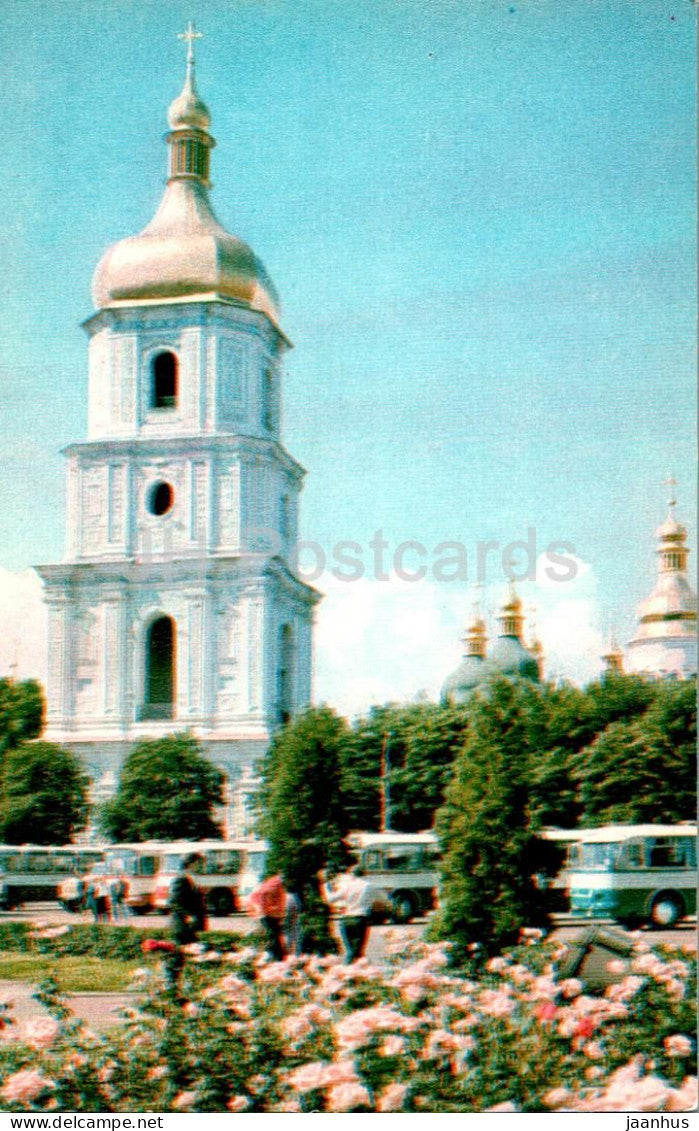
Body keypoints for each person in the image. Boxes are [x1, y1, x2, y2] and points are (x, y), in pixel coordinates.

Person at [320, 863, 379, 963]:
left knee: (350, 950)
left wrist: (326, 885)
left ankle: (350, 970)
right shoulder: (368, 886)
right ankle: (350, 971)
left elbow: (330, 899)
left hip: (346, 919)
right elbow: (371, 903)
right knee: (357, 951)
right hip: (360, 918)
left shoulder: (347, 886)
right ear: (364, 873)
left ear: (352, 874)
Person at [167, 853, 207, 989]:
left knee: (190, 953)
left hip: (189, 927)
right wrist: (187, 916)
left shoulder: (190, 878)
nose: (200, 866)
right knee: (179, 954)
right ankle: (171, 982)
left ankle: (183, 982)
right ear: (191, 863)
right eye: (198, 863)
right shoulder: (180, 879)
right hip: (182, 926)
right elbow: (173, 902)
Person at [248, 873, 287, 961]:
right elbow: (261, 902)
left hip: (266, 914)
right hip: (267, 915)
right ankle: (277, 955)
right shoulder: (268, 887)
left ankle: (275, 954)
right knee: (274, 935)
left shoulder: (264, 887)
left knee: (273, 935)